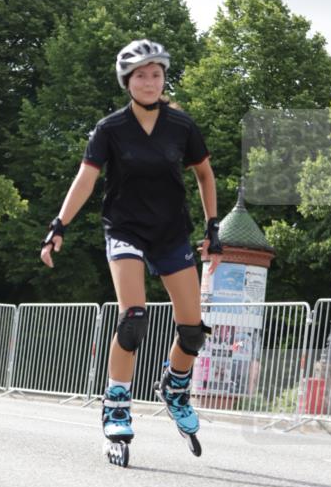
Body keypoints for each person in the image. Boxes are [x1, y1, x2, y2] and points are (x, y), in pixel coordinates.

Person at [40, 38, 223, 454]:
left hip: (171, 232)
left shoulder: (182, 126)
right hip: (125, 229)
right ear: (127, 81)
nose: (150, 82)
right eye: (141, 75)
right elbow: (85, 179)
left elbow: (205, 174)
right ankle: (117, 402)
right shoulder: (110, 129)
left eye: (156, 74)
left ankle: (175, 388)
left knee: (193, 331)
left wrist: (213, 226)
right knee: (133, 319)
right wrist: (59, 224)